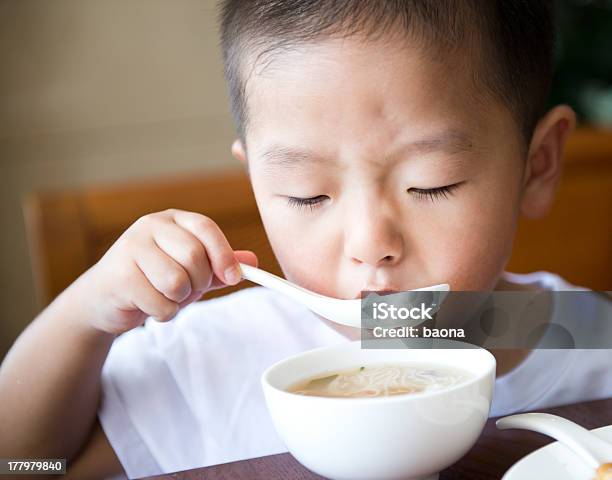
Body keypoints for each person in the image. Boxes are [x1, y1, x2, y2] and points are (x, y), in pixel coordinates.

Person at [1, 1, 610, 478]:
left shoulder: (586, 336)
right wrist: (85, 316)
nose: (371, 245)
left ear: (537, 167)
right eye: (306, 195)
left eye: (432, 184)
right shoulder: (208, 357)